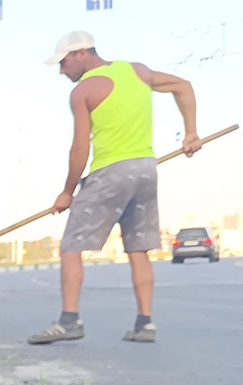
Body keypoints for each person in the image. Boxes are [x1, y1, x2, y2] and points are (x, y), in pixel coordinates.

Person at [29, 31, 201, 345]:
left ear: (82, 53)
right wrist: (191, 133)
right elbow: (183, 85)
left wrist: (67, 192)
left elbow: (80, 148)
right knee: (138, 248)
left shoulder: (83, 91)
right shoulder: (137, 71)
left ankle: (69, 320)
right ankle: (145, 324)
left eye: (64, 62)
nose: (62, 71)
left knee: (71, 246)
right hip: (146, 169)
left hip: (111, 171)